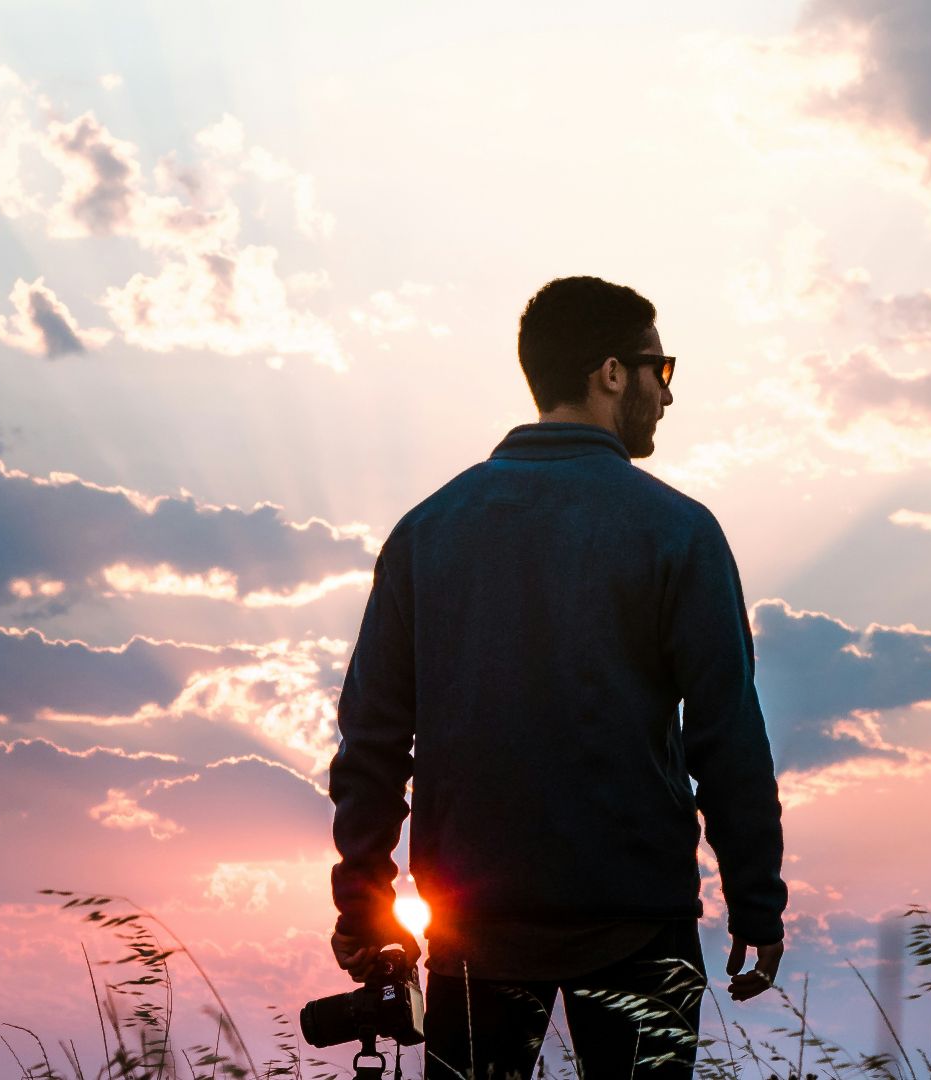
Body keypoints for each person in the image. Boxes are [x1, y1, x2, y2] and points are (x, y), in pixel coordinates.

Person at [327, 276, 788, 1080]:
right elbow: (726, 735)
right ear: (612, 373)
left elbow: (371, 738)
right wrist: (756, 899)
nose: (667, 395)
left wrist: (365, 900)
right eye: (661, 369)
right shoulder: (677, 530)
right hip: (640, 922)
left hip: (475, 928)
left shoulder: (425, 532)